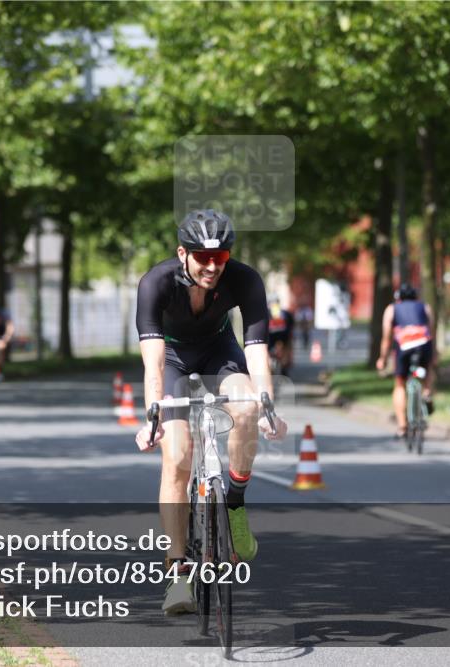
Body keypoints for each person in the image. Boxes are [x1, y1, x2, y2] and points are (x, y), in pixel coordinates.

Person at [134, 209, 288, 615]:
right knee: (178, 459)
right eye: (202, 257)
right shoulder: (156, 283)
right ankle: (178, 574)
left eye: (220, 258)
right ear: (182, 253)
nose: (212, 266)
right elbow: (151, 361)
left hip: (220, 352)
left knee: (248, 406)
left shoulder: (245, 278)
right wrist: (152, 412)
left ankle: (234, 501)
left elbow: (256, 350)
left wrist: (267, 402)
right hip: (172, 359)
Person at [375, 283, 436, 438]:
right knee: (427, 369)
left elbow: (387, 337)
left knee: (400, 383)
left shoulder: (392, 309)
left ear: (398, 297)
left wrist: (382, 358)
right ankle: (427, 392)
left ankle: (402, 426)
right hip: (423, 343)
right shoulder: (425, 307)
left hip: (404, 346)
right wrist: (434, 354)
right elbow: (431, 330)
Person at [267, 296, 295, 376]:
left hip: (271, 337)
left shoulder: (266, 312)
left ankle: (270, 368)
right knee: (286, 348)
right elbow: (291, 327)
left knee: (266, 350)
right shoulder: (286, 313)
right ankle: (284, 366)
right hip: (283, 336)